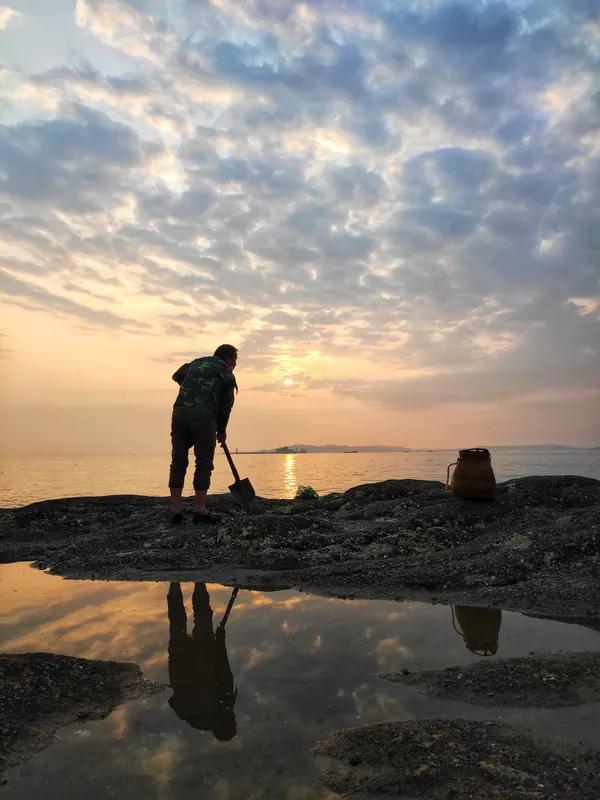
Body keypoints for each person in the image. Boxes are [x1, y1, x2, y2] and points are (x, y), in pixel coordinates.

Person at [168, 344, 238, 525]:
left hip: (180, 412)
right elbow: (226, 406)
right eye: (235, 360)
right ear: (229, 358)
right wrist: (221, 431)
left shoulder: (196, 363)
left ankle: (175, 510)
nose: (235, 364)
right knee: (204, 461)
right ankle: (199, 509)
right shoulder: (226, 372)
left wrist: (194, 388)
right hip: (204, 416)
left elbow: (177, 375)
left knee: (178, 460)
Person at [167, 582, 238, 741]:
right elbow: (173, 702)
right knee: (177, 621)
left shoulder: (223, 703)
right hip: (180, 666)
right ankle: (174, 581)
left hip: (203, 657)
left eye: (232, 718)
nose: (233, 714)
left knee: (203, 616)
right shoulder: (190, 716)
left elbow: (223, 666)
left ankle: (199, 580)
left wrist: (220, 640)